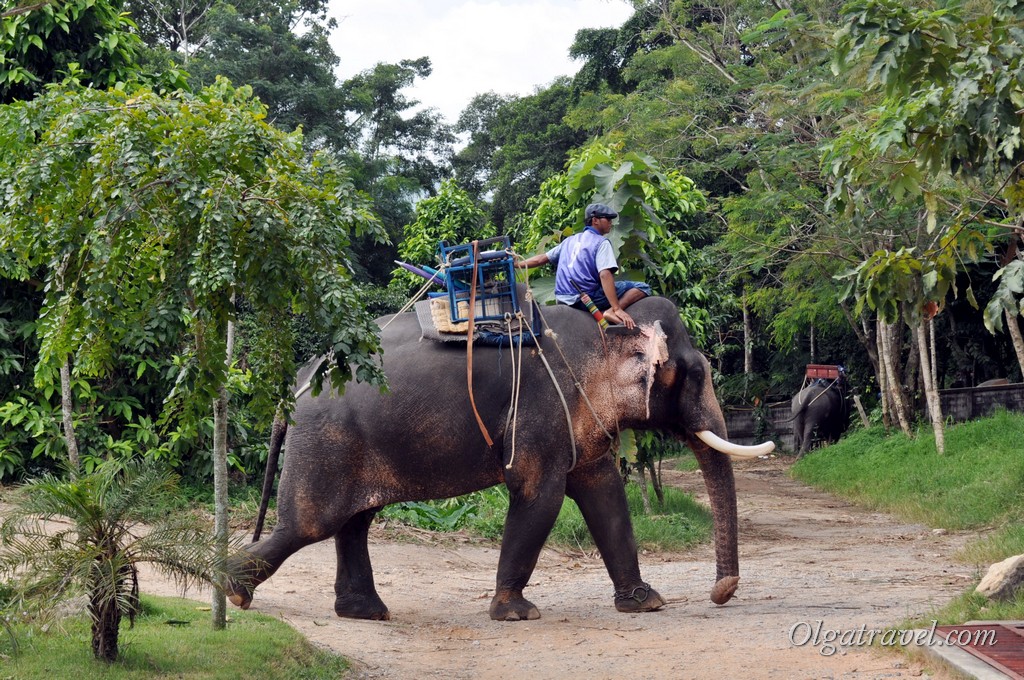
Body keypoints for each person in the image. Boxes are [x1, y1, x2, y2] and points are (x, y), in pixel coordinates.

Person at [516, 203, 651, 329]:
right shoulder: (601, 242)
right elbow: (604, 275)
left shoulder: (568, 241)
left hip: (562, 298)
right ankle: (611, 312)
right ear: (595, 220)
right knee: (643, 287)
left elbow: (540, 259)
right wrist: (616, 307)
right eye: (607, 219)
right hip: (585, 298)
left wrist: (517, 264)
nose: (611, 222)